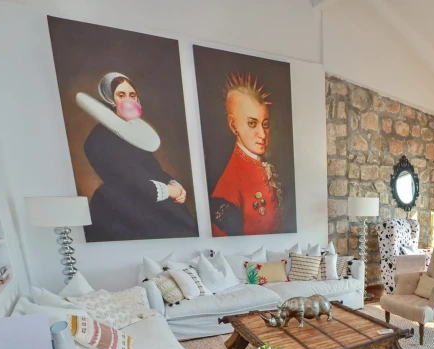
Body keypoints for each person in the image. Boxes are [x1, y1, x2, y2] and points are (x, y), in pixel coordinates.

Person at [76, 72, 196, 242]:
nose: (128, 100)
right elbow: (126, 178)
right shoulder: (99, 138)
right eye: (121, 95)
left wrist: (175, 185)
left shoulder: (136, 134)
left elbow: (153, 169)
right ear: (110, 99)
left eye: (132, 95)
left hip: (150, 197)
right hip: (122, 206)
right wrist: (168, 191)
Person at [209, 73, 284, 236]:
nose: (262, 135)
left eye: (265, 124)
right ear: (233, 125)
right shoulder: (229, 186)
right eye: (252, 123)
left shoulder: (262, 166)